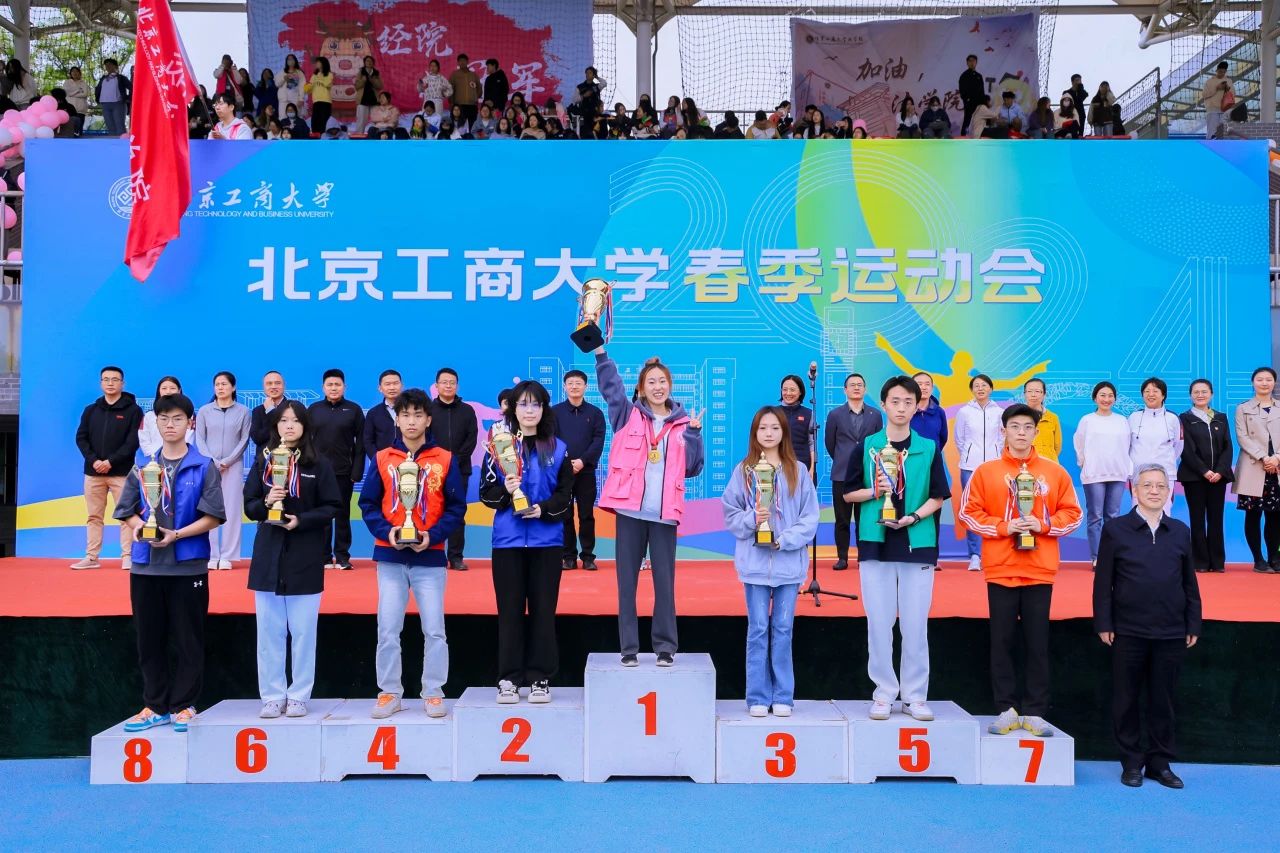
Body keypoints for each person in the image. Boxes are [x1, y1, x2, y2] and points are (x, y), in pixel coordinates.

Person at [960, 404, 1082, 738]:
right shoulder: (986, 471)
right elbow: (968, 513)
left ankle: (1035, 711)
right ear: (1004, 431)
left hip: (1039, 569)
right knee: (1001, 641)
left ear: (1036, 432)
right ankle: (1006, 709)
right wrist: (1004, 527)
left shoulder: (1054, 472)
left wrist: (1043, 525)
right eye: (1015, 426)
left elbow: (1073, 513)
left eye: (1028, 427)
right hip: (1001, 568)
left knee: (1037, 643)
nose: (1021, 433)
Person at [115, 393, 226, 733]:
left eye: (177, 418)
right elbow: (126, 510)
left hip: (187, 566)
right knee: (149, 639)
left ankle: (184, 705)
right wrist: (139, 527)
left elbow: (213, 516)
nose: (170, 425)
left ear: (190, 423)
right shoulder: (143, 466)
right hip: (146, 566)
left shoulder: (203, 466)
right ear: (156, 423)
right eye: (163, 419)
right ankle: (155, 705)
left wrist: (176, 535)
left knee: (188, 638)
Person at [842, 377, 950, 721]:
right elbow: (848, 493)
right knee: (879, 623)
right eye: (895, 401)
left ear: (917, 406)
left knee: (915, 626)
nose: (901, 408)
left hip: (918, 542)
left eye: (908, 402)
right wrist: (875, 492)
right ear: (884, 404)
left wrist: (914, 517)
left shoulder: (928, 447)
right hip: (875, 541)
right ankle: (884, 693)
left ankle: (915, 696)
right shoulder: (868, 446)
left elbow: (938, 496)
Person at [359, 388, 465, 719]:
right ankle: (389, 692)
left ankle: (433, 692)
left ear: (428, 420)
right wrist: (386, 531)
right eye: (405, 415)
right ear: (397, 419)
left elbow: (456, 507)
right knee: (388, 629)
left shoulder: (445, 459)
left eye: (418, 415)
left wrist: (433, 536)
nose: (412, 421)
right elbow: (368, 503)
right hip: (390, 556)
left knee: (434, 629)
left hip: (429, 558)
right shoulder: (383, 458)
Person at [595, 350, 705, 667]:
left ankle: (665, 647)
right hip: (630, 513)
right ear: (641, 388)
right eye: (651, 382)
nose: (658, 387)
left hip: (664, 515)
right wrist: (601, 355)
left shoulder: (684, 424)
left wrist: (694, 435)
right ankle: (628, 648)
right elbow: (611, 387)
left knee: (665, 585)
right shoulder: (626, 415)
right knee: (626, 584)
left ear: (670, 385)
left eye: (662, 382)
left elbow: (693, 468)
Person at [1094, 464, 1200, 789]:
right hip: (1128, 630)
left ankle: (1159, 762)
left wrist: (1193, 621)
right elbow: (1103, 583)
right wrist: (1104, 622)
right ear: (1134, 490)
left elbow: (1189, 582)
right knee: (1125, 698)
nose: (1154, 491)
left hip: (1171, 630)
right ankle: (1131, 762)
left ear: (1169, 492)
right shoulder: (1116, 530)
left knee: (1163, 699)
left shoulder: (1180, 531)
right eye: (1147, 485)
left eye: (1160, 486)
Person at [243, 401, 341, 719]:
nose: (289, 426)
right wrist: (266, 502)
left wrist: (301, 520)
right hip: (268, 558)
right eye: (283, 420)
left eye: (295, 421)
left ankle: (298, 695)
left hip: (305, 557)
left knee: (302, 633)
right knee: (269, 634)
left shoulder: (319, 464)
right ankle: (272, 696)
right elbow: (249, 505)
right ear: (275, 427)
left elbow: (332, 506)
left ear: (305, 426)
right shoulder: (264, 461)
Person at [479, 381, 573, 704]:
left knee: (544, 612)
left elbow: (565, 495)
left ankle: (540, 677)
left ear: (544, 409)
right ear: (513, 409)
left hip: (547, 543)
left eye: (536, 404)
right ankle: (508, 678)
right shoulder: (499, 446)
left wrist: (542, 509)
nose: (529, 410)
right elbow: (486, 494)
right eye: (523, 404)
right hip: (507, 542)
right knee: (509, 612)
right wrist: (506, 491)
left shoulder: (558, 448)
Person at [722, 406, 818, 717]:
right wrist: (753, 518)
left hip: (789, 566)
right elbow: (730, 514)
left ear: (783, 433)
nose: (768, 433)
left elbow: (810, 518)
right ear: (755, 433)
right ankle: (757, 697)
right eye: (763, 428)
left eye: (775, 428)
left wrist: (784, 539)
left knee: (784, 628)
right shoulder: (743, 471)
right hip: (755, 566)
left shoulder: (798, 471)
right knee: (758, 629)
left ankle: (783, 696)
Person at [73, 366, 143, 570]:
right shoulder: (91, 410)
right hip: (93, 473)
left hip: (121, 473)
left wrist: (111, 461)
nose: (110, 383)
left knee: (126, 516)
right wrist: (94, 460)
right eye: (106, 379)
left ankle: (127, 556)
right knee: (94, 517)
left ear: (123, 383)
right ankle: (92, 556)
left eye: (115, 379)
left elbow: (133, 441)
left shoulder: (133, 410)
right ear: (100, 383)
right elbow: (81, 438)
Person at [825, 373, 883, 571]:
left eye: (860, 385)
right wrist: (845, 460)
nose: (856, 388)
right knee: (842, 519)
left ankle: (863, 556)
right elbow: (830, 443)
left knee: (864, 519)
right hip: (841, 473)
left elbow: (879, 443)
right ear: (845, 390)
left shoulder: (875, 415)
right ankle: (842, 557)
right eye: (852, 385)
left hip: (867, 474)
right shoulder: (835, 415)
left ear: (865, 389)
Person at [308, 369, 365, 570]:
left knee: (342, 515)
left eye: (337, 385)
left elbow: (361, 444)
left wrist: (356, 471)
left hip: (344, 472)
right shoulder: (313, 409)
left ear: (344, 387)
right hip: (318, 472)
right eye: (330, 385)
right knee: (322, 515)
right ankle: (323, 556)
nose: (334, 388)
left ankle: (342, 556)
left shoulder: (354, 410)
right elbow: (305, 440)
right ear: (323, 387)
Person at [195, 371, 251, 569]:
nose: (220, 387)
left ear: (233, 387)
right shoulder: (204, 411)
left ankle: (228, 555)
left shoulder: (243, 411)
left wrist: (228, 460)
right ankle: (211, 554)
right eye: (217, 384)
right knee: (209, 508)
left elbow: (244, 439)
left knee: (232, 509)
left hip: (233, 466)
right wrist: (212, 461)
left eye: (224, 384)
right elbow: (200, 438)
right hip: (209, 466)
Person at [552, 370, 605, 571]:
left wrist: (582, 461)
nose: (574, 386)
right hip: (562, 472)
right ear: (564, 386)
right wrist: (566, 463)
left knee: (586, 515)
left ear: (585, 387)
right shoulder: (554, 413)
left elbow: (598, 441)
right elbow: (550, 440)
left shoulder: (595, 413)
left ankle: (588, 556)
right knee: (565, 515)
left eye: (578, 383)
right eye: (570, 383)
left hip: (586, 472)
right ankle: (568, 557)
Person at [1177, 379, 1233, 573]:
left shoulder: (1221, 417)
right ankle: (1200, 561)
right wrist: (1204, 471)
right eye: (1196, 392)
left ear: (1211, 394)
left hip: (1219, 477)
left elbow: (1227, 447)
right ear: (1191, 395)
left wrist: (1220, 471)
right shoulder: (1184, 418)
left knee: (1216, 520)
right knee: (1197, 519)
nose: (1200, 395)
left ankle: (1217, 562)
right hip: (1194, 477)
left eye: (1204, 391)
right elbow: (1186, 449)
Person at [1075, 381, 1132, 562]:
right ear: (1095, 398)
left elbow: (1128, 446)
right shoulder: (1087, 420)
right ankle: (1097, 557)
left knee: (1113, 517)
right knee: (1095, 516)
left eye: (1110, 396)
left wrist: (1126, 467)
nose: (1106, 399)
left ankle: (1111, 557)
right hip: (1094, 474)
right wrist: (1084, 463)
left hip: (1117, 473)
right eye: (1102, 395)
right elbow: (1079, 443)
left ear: (1114, 399)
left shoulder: (1122, 420)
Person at [427, 368, 478, 570]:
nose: (448, 386)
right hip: (432, 469)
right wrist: (438, 461)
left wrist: (454, 461)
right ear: (436, 385)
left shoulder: (467, 411)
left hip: (459, 469)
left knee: (457, 513)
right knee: (432, 512)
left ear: (457, 385)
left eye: (452, 382)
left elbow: (471, 439)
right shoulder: (429, 410)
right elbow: (425, 438)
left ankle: (456, 557)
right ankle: (433, 553)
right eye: (444, 382)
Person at [1233, 366, 1280, 573]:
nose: (1264, 383)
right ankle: (1258, 559)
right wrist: (1264, 457)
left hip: (1277, 468)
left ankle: (1274, 558)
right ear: (1253, 383)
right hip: (1254, 466)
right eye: (1260, 379)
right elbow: (1242, 437)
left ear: (1274, 382)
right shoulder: (1243, 408)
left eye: (1268, 379)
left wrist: (1276, 458)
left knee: (1275, 516)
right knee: (1253, 515)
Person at [955, 373, 1004, 570]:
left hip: (994, 466)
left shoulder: (1000, 412)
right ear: (972, 390)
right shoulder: (964, 412)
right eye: (976, 386)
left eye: (984, 385)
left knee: (994, 509)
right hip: (969, 467)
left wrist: (996, 455)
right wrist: (969, 455)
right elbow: (959, 439)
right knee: (972, 509)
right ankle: (975, 555)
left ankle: (994, 553)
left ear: (991, 388)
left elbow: (1002, 438)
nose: (980, 388)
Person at [1129, 377, 1183, 512]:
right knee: (1138, 512)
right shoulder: (1133, 417)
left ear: (1163, 395)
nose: (1150, 394)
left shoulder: (1172, 418)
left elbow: (1178, 446)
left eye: (1155, 391)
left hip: (1165, 475)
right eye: (1147, 391)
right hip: (1138, 474)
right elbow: (1127, 445)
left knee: (1164, 512)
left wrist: (1164, 461)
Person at [140, 376, 193, 457]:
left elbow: (190, 437)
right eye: (164, 388)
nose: (168, 392)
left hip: (183, 456)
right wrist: (155, 456)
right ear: (159, 391)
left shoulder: (188, 415)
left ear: (179, 391)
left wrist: (179, 455)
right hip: (154, 458)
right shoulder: (149, 416)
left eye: (172, 388)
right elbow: (144, 440)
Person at [363, 369, 402, 463]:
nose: (392, 387)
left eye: (395, 383)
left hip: (409, 463)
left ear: (402, 386)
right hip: (383, 463)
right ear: (380, 388)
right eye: (387, 384)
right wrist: (378, 460)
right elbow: (368, 441)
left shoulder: (411, 411)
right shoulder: (373, 413)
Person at [778, 374, 813, 471]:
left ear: (800, 392)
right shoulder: (774, 413)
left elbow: (811, 443)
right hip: (778, 465)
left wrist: (812, 469)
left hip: (802, 465)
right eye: (785, 390)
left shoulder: (808, 414)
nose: (788, 393)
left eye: (792, 390)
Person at [1022, 378, 1061, 461]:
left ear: (1044, 395)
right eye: (1029, 391)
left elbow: (1057, 446)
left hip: (1048, 463)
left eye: (1037, 391)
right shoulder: (1017, 417)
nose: (1033, 395)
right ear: (1024, 394)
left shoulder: (1053, 417)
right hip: (1025, 463)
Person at [250, 371, 287, 450]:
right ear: (264, 387)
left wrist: (270, 411)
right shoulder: (257, 411)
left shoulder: (293, 407)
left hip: (288, 455)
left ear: (284, 385)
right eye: (269, 383)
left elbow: (286, 433)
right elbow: (257, 439)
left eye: (277, 383)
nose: (273, 387)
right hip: (264, 456)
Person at [910, 372, 947, 450]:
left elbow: (943, 438)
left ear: (932, 388)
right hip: (910, 456)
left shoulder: (939, 412)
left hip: (933, 456)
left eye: (927, 384)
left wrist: (934, 452)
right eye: (919, 384)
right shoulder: (906, 411)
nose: (923, 387)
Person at [95, 58, 131, 136]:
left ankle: (122, 142)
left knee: (120, 127)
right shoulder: (103, 79)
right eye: (106, 65)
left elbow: (132, 87)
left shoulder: (121, 78)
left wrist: (127, 98)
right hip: (105, 105)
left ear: (116, 66)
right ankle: (112, 142)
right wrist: (97, 100)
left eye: (110, 65)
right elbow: (98, 89)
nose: (108, 67)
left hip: (118, 104)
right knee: (110, 127)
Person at [1202, 61, 1232, 139]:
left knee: (1223, 133)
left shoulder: (1229, 81)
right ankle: (1209, 145)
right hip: (1212, 110)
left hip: (1224, 110)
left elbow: (1233, 94)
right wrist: (1216, 88)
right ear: (1216, 70)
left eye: (1224, 72)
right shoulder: (1209, 82)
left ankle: (1220, 146)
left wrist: (1227, 89)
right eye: (1220, 71)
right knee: (1211, 132)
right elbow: (1204, 95)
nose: (1222, 74)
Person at [353, 56, 383, 133]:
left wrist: (372, 80)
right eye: (367, 61)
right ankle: (359, 136)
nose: (369, 62)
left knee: (376, 120)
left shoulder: (376, 73)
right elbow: (356, 86)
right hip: (363, 99)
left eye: (371, 61)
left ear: (373, 63)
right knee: (361, 120)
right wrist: (363, 80)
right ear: (364, 63)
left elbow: (380, 86)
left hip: (374, 99)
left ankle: (377, 135)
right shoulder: (361, 72)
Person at [304, 57, 333, 136]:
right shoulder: (314, 75)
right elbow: (309, 90)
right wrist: (307, 87)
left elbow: (327, 84)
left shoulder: (329, 74)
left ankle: (325, 138)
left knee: (324, 122)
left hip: (325, 101)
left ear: (323, 63)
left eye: (318, 62)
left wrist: (318, 79)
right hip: (316, 101)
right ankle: (316, 138)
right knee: (315, 122)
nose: (316, 64)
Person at [449, 54, 480, 126]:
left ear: (467, 62)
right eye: (460, 61)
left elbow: (479, 88)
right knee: (460, 126)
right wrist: (452, 102)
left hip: (472, 105)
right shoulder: (454, 75)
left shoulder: (473, 75)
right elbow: (450, 89)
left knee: (472, 126)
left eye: (464, 60)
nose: (462, 62)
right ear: (458, 63)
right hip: (459, 105)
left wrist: (475, 97)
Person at [958, 54, 984, 136]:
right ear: (967, 63)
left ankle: (979, 137)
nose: (972, 62)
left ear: (976, 62)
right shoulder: (964, 76)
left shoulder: (979, 76)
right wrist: (967, 100)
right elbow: (962, 90)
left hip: (979, 103)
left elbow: (982, 91)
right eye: (970, 61)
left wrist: (983, 102)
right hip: (969, 103)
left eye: (974, 61)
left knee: (980, 121)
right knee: (967, 121)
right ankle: (963, 137)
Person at [62, 67, 90, 136]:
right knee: (68, 130)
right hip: (69, 109)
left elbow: (85, 94)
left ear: (79, 73)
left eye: (76, 71)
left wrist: (71, 94)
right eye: (73, 71)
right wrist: (78, 90)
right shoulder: (67, 82)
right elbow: (66, 93)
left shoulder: (83, 83)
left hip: (80, 109)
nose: (75, 73)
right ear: (70, 73)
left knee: (79, 131)